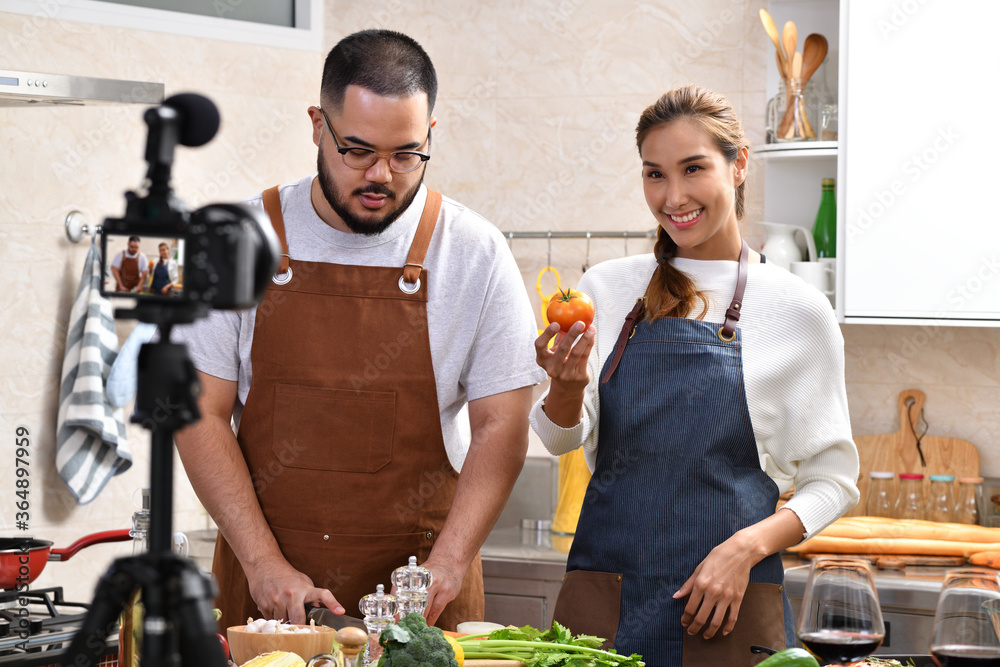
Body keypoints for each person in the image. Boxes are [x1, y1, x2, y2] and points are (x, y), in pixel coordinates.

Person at [172, 29, 545, 632]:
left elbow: (501, 422)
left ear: (430, 137)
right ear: (318, 125)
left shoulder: (474, 250)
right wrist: (264, 565)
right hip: (267, 601)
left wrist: (448, 563)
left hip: (424, 598)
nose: (382, 176)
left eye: (406, 154)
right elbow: (201, 413)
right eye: (358, 151)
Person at [530, 85, 859, 666]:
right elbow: (558, 438)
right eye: (654, 174)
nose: (673, 196)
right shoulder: (605, 289)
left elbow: (833, 483)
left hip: (727, 610)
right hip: (604, 609)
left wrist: (745, 547)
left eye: (693, 169)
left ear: (738, 165)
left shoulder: (797, 310)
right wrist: (565, 384)